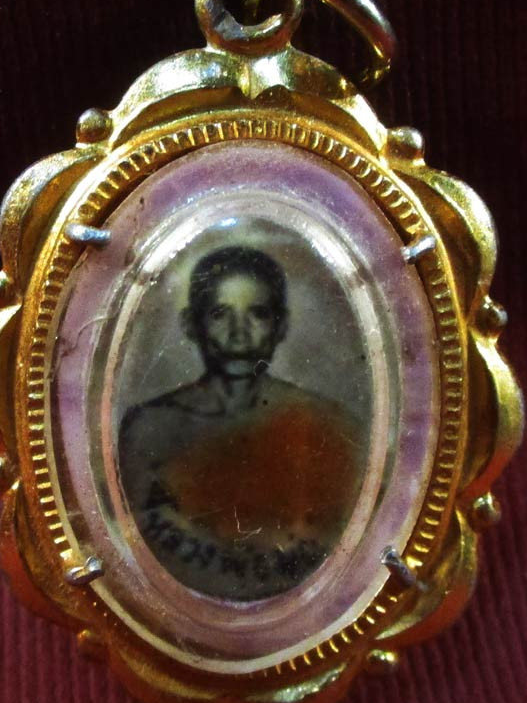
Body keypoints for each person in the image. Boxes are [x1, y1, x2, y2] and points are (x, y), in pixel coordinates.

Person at [118, 246, 361, 600]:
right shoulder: (148, 429)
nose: (238, 333)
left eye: (257, 314)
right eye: (220, 314)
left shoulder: (328, 425)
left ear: (280, 326)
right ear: (192, 324)